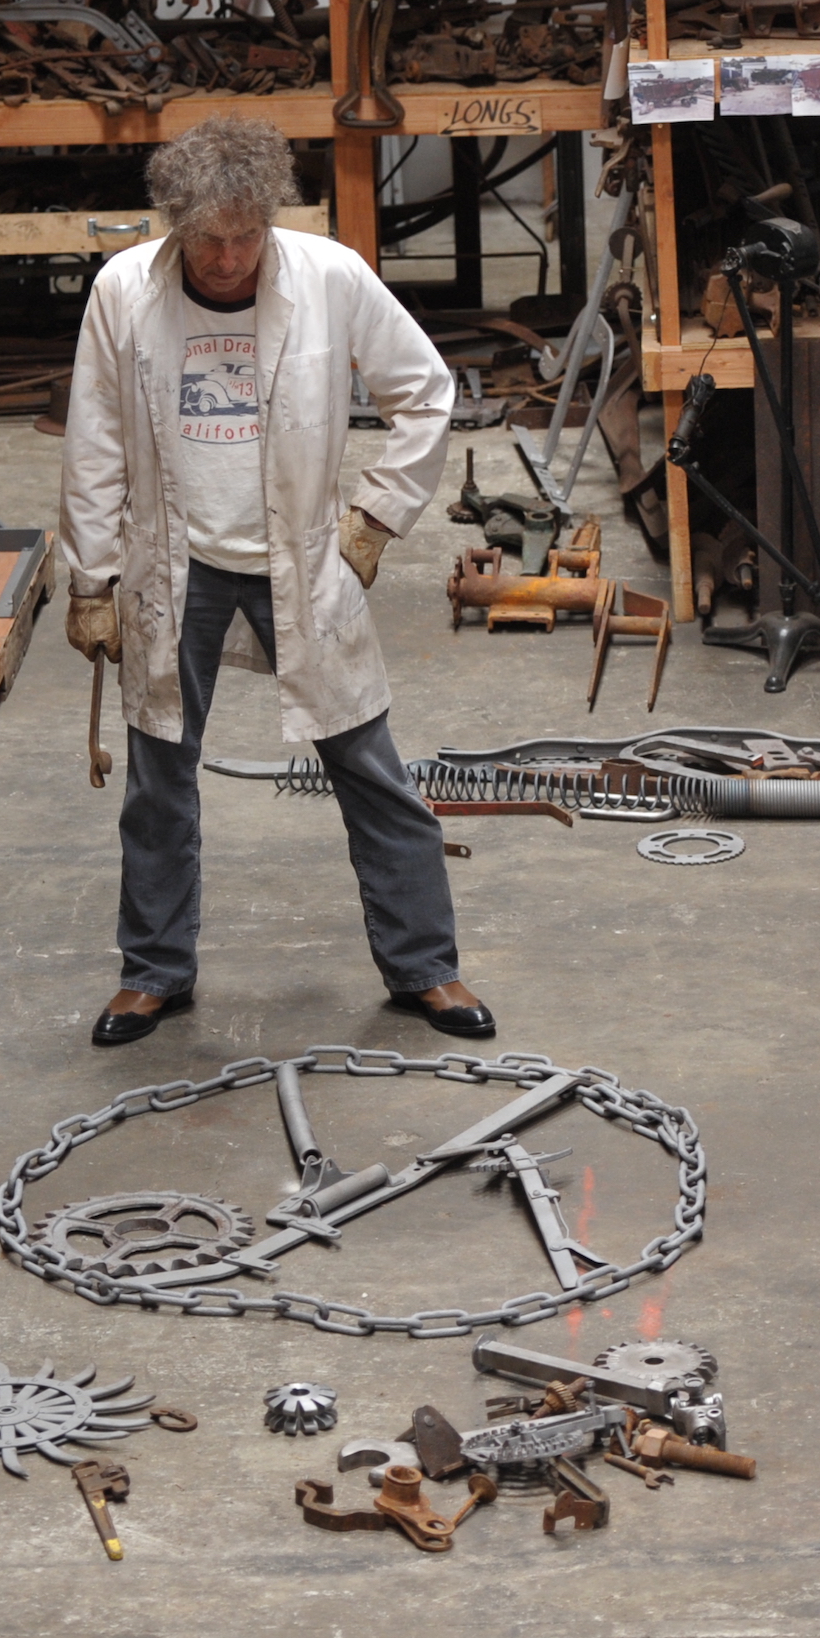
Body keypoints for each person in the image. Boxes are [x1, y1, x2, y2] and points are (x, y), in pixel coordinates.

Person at [57, 118, 495, 1048]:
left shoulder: (330, 276)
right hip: (175, 564)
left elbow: (424, 390)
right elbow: (94, 437)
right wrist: (90, 578)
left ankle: (427, 965)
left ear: (268, 220)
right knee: (157, 780)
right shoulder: (123, 292)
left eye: (244, 236)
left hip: (299, 559)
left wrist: (374, 520)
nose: (226, 259)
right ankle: (154, 972)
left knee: (368, 764)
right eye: (206, 239)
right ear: (172, 226)